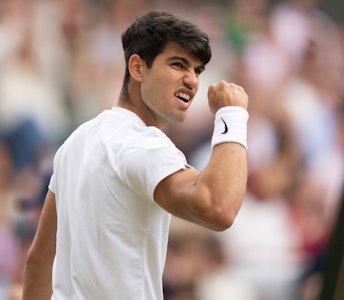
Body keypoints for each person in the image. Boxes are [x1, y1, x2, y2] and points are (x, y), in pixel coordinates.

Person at [22, 10, 249, 300]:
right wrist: (233, 115)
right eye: (179, 64)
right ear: (138, 68)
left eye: (197, 70)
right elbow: (219, 207)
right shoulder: (143, 144)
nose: (192, 80)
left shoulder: (76, 142)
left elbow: (39, 260)